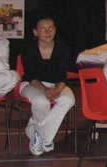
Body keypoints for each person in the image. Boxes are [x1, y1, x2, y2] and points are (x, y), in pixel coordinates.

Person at [19, 15, 75, 156]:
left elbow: (63, 76)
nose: (47, 32)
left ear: (55, 30)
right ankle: (44, 137)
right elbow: (30, 76)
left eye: (50, 28)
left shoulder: (62, 48)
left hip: (55, 84)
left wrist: (57, 89)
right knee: (41, 101)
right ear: (35, 32)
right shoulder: (28, 48)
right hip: (32, 84)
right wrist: (45, 90)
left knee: (68, 99)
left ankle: (39, 133)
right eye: (43, 29)